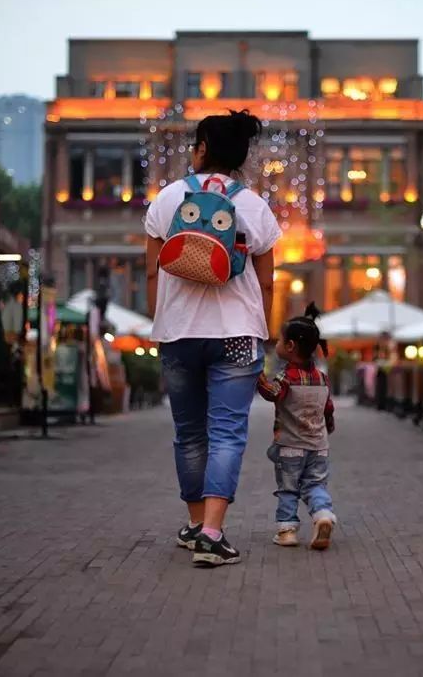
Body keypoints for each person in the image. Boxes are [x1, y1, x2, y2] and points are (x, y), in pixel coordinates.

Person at [145, 109, 280, 567]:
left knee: (189, 433)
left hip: (179, 334)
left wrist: (159, 319)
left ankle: (195, 523)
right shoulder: (254, 206)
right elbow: (267, 284)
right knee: (227, 433)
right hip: (239, 333)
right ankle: (212, 532)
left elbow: (151, 269)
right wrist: (270, 329)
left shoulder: (167, 199)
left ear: (202, 147)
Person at [256, 303, 337, 550]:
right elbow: (328, 409)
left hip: (290, 445)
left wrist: (257, 378)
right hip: (319, 446)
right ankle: (323, 514)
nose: (277, 343)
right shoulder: (322, 378)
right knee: (315, 485)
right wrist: (328, 428)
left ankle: (287, 531)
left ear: (290, 347)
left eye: (280, 340)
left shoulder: (287, 377)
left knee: (289, 489)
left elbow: (273, 394)